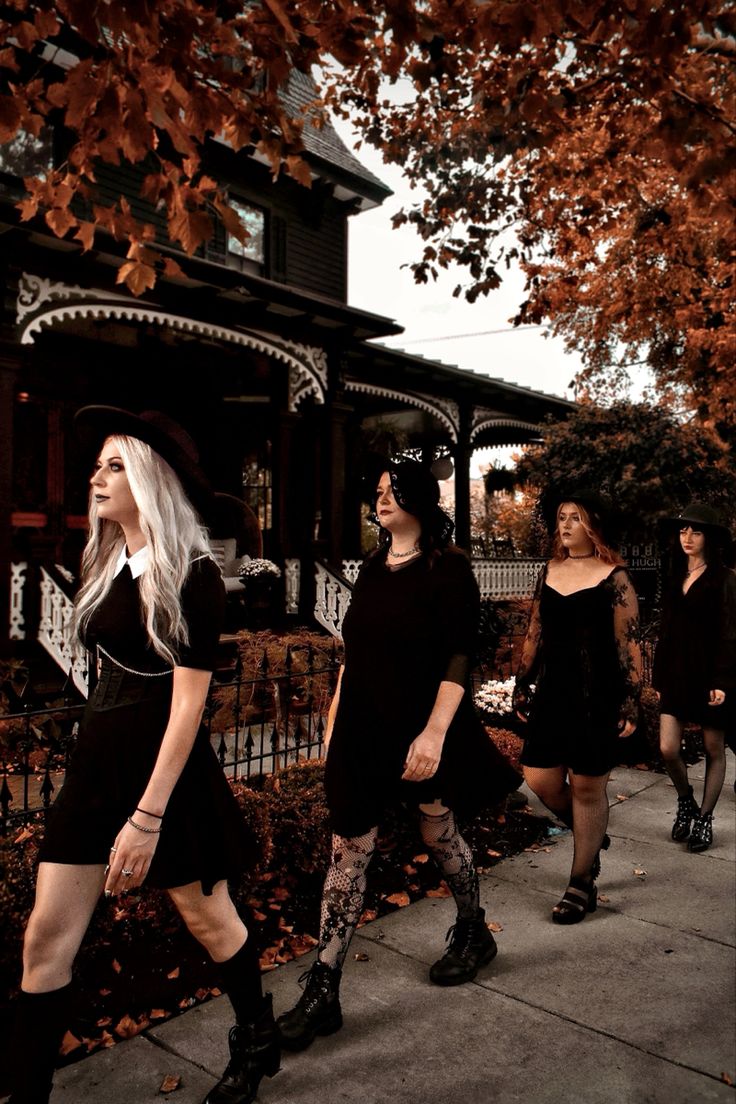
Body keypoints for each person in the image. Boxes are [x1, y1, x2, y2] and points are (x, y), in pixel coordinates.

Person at [7, 408, 277, 1104]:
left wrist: (148, 816)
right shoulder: (105, 564)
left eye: (114, 465)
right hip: (95, 772)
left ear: (151, 479)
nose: (96, 476)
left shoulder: (192, 574)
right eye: (97, 464)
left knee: (209, 921)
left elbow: (189, 706)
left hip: (164, 781)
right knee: (45, 938)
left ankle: (256, 1037)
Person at [276, 461, 520, 1050]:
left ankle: (472, 929)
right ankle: (324, 988)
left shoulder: (449, 567)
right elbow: (354, 654)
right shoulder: (372, 569)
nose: (380, 499)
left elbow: (460, 657)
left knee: (437, 832)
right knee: (348, 848)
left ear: (417, 498)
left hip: (422, 725)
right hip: (363, 728)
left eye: (391, 491)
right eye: (377, 491)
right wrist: (334, 726)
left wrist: (435, 734)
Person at [513, 491, 641, 924]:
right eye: (561, 518)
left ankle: (580, 883)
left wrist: (631, 700)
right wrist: (522, 681)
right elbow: (536, 629)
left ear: (593, 526)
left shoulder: (615, 576)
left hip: (597, 694)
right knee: (540, 778)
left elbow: (630, 644)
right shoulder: (549, 570)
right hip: (554, 691)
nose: (564, 526)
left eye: (575, 518)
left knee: (588, 788)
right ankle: (593, 836)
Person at [652, 503, 736, 852]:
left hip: (709, 676)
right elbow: (666, 630)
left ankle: (703, 818)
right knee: (668, 748)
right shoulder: (673, 575)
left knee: (714, 748)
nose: (687, 537)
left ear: (709, 538)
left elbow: (730, 633)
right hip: (676, 673)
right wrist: (658, 677)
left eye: (696, 531)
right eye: (683, 530)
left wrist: (722, 681)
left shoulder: (725, 579)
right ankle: (686, 801)